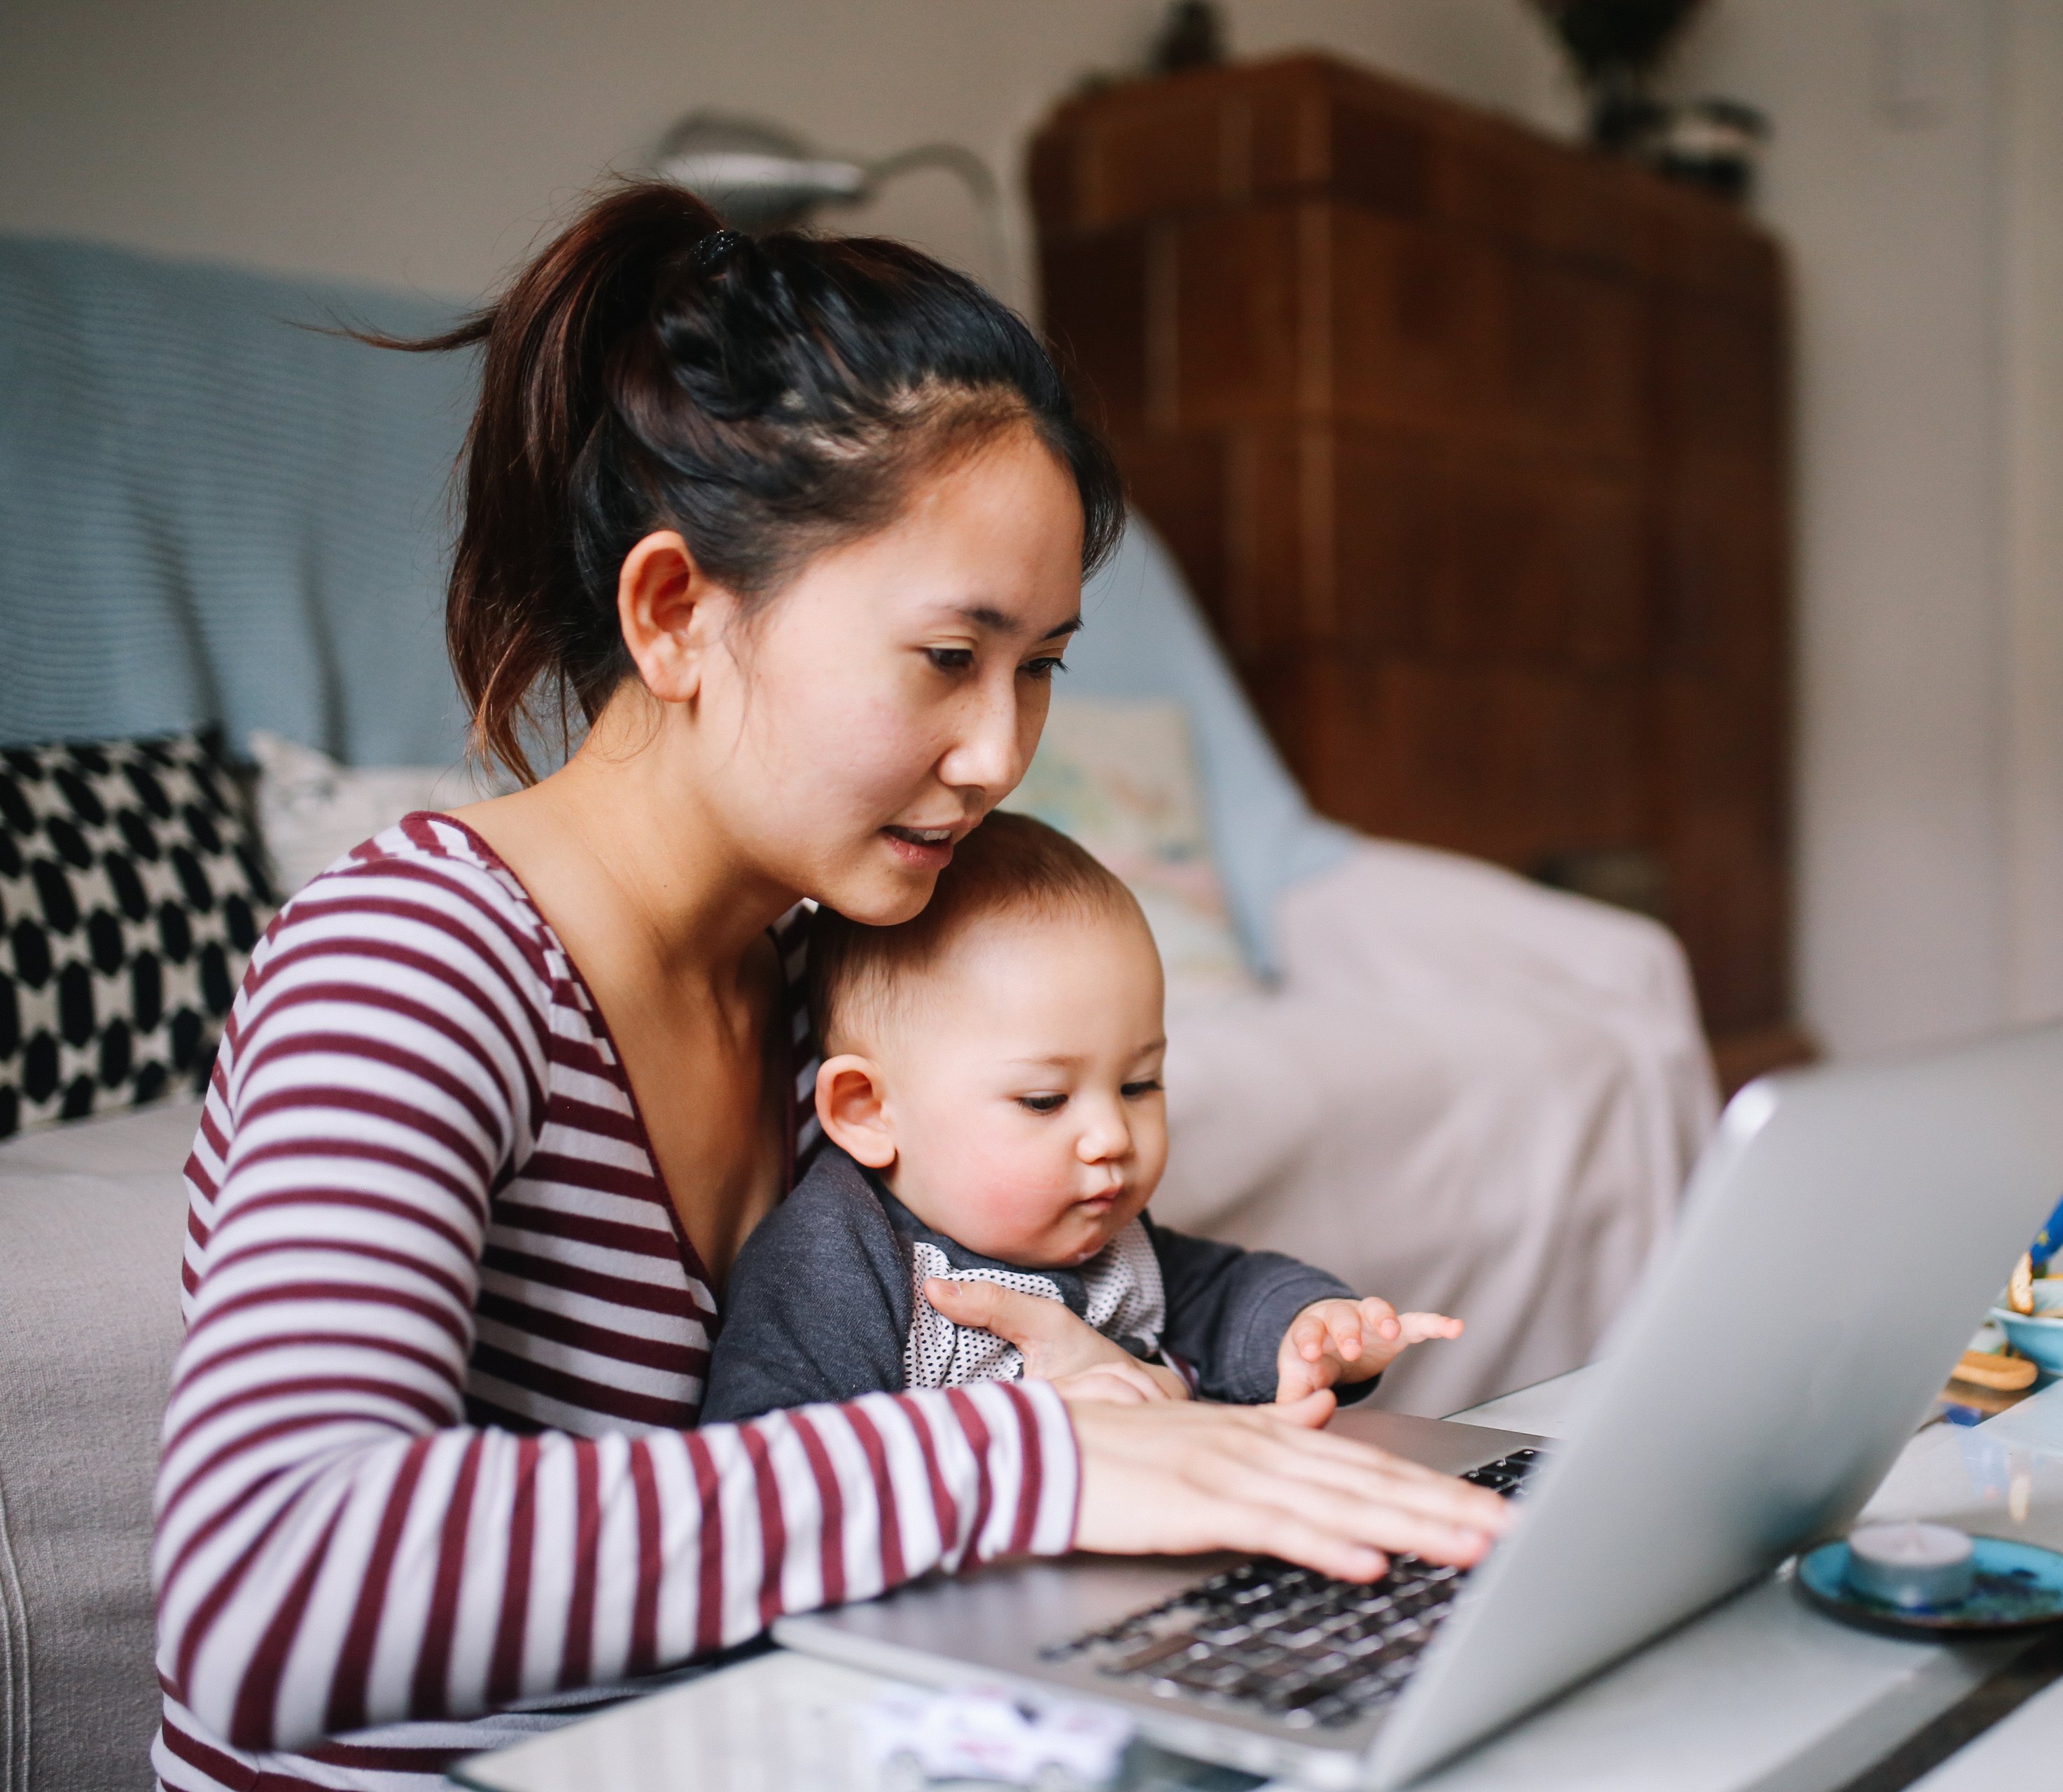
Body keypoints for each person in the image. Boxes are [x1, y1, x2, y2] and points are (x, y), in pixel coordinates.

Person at [151, 186, 1510, 1792]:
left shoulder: (838, 992)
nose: (1003, 754)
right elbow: (267, 1580)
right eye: (949, 655)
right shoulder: (411, 964)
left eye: (1042, 666)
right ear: (673, 613)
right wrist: (1014, 1456)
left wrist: (1106, 1382)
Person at [700, 811, 1462, 1423]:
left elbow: (1225, 1294)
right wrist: (1022, 1429)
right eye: (1044, 1100)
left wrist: (1312, 1327)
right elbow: (778, 1467)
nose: (1111, 1138)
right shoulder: (837, 1261)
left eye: (1139, 1084)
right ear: (868, 1112)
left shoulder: (1108, 1238)